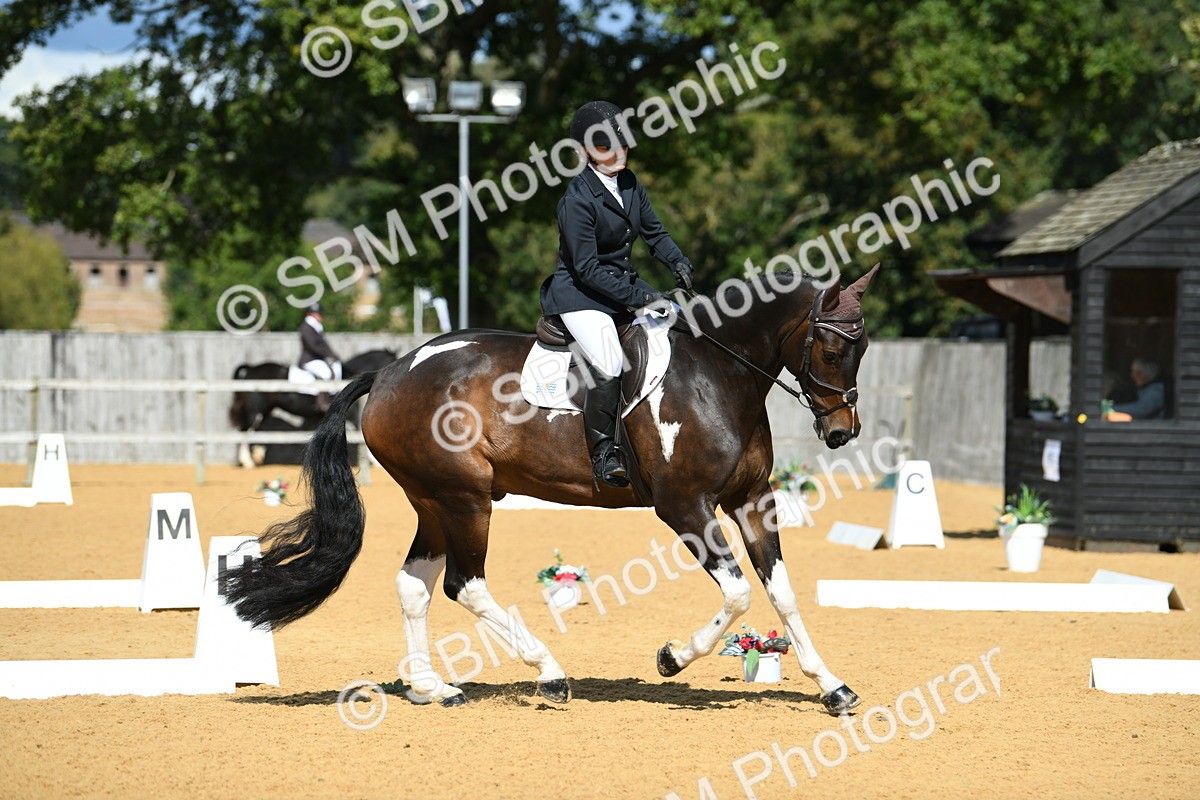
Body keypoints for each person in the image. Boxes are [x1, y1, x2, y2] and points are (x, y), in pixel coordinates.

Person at [539, 100, 694, 489]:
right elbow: (587, 270)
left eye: (623, 145)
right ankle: (605, 452)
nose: (619, 154)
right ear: (586, 152)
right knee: (609, 362)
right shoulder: (576, 200)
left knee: (687, 328)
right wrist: (643, 298)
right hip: (580, 295)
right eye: (608, 148)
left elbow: (654, 233)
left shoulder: (630, 183)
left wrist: (677, 261)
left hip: (620, 285)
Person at [298, 303, 342, 412]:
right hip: (309, 360)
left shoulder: (316, 327)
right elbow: (313, 346)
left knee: (335, 368)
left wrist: (333, 354)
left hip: (318, 359)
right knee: (325, 373)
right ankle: (321, 403)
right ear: (311, 314)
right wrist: (328, 355)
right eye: (318, 314)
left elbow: (324, 345)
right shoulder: (306, 328)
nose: (321, 316)